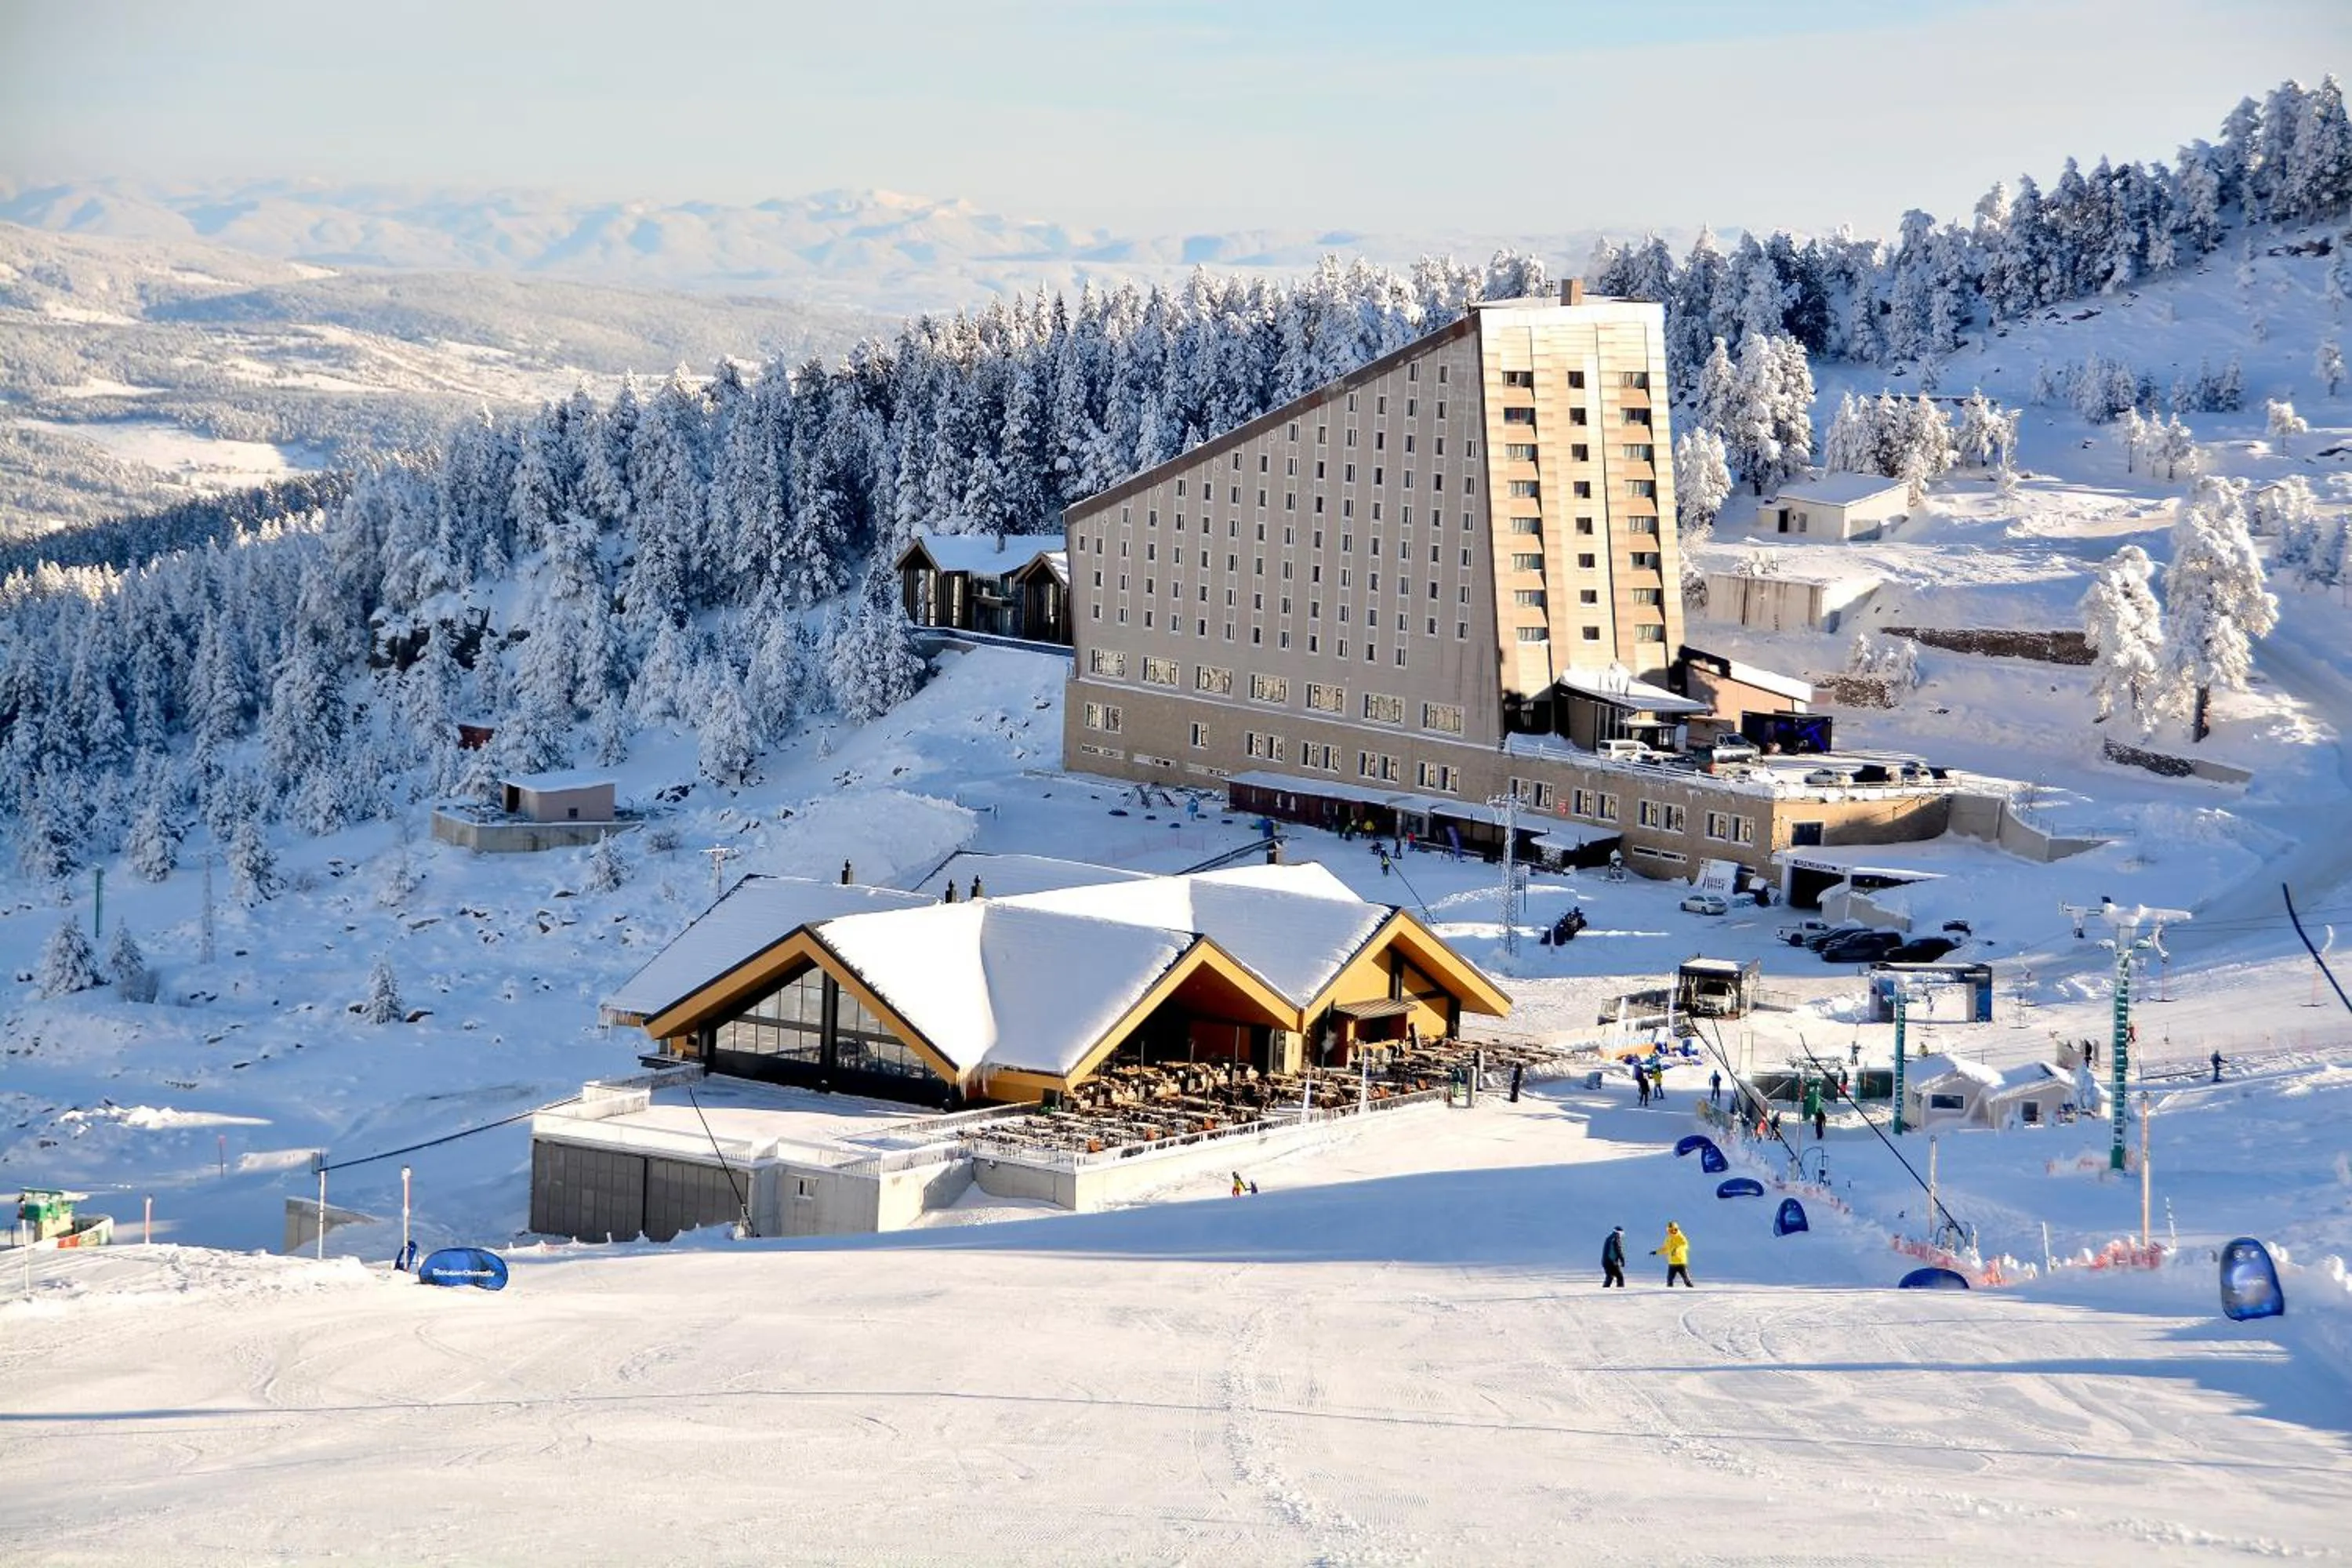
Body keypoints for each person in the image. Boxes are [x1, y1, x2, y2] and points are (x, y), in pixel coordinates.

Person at [1651, 1221, 1693, 1287]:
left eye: (1675, 1229)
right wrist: (1656, 1252)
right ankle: (1669, 1295)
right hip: (1672, 1263)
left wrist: (1677, 1249)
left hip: (1681, 1263)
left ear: (1677, 1229)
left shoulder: (1681, 1237)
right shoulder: (1668, 1239)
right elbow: (1665, 1249)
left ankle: (1691, 1291)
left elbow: (1685, 1246)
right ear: (1668, 1230)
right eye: (1671, 1230)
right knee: (1669, 1280)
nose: (1673, 1231)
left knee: (1686, 1280)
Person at [1601, 1225, 1628, 1289]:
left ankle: (1605, 1290)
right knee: (1620, 1276)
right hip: (1611, 1261)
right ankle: (1620, 1290)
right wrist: (1622, 1260)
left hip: (1605, 1260)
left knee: (1609, 1277)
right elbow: (1618, 1249)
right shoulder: (1616, 1238)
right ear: (1620, 1232)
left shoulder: (1609, 1238)